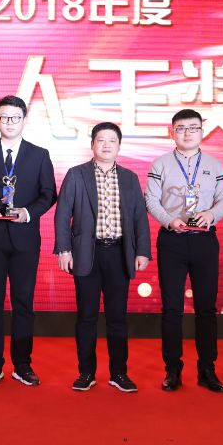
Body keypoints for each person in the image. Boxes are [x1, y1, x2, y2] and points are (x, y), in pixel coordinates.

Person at [0, 95, 57, 386]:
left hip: (25, 240)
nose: (10, 122)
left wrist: (27, 213)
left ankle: (23, 364)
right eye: (4, 117)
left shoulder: (39, 155)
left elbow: (49, 194)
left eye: (15, 117)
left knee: (23, 302)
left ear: (24, 120)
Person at [54, 122, 151, 392]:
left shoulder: (130, 178)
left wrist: (142, 251)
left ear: (119, 146)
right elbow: (62, 215)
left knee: (117, 317)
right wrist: (64, 250)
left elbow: (139, 217)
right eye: (101, 140)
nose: (106, 145)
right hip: (87, 254)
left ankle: (119, 373)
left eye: (112, 140)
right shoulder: (76, 174)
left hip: (119, 254)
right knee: (86, 316)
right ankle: (86, 373)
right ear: (92, 144)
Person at [145, 108, 223, 393]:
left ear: (202, 132)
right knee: (172, 308)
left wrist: (211, 214)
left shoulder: (214, 165)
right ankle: (172, 370)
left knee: (206, 308)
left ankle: (207, 369)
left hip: (204, 240)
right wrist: (169, 220)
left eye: (193, 128)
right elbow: (151, 200)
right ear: (172, 132)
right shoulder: (160, 164)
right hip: (172, 240)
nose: (187, 133)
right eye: (181, 128)